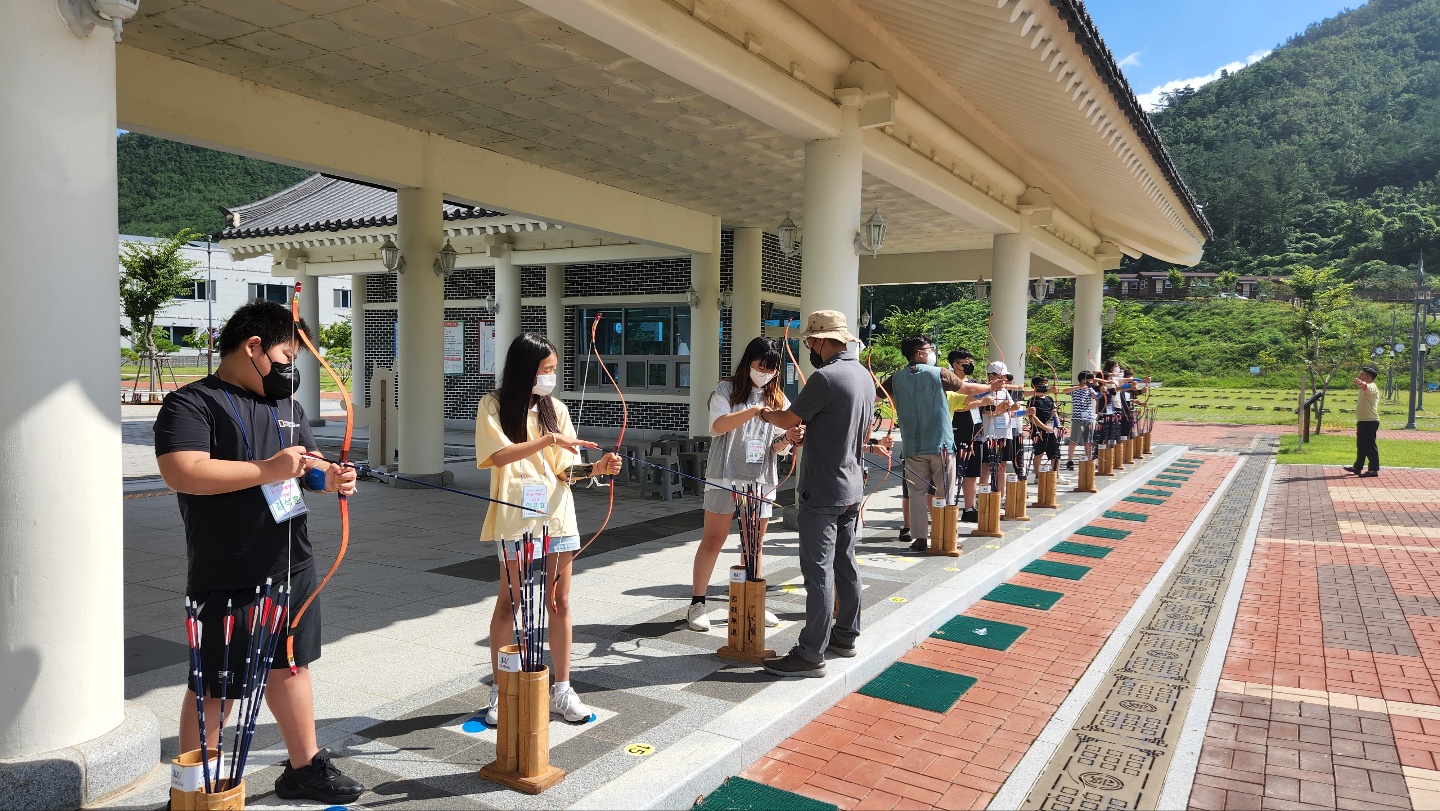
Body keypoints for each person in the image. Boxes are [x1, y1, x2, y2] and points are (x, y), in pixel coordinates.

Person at [154, 300, 363, 805]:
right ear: (254, 348)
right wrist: (270, 469)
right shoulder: (192, 403)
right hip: (229, 568)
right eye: (287, 356)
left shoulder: (287, 407)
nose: (291, 369)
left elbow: (308, 468)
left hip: (292, 560)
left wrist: (331, 477)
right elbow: (184, 471)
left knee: (291, 665)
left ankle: (304, 769)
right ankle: (196, 791)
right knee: (215, 685)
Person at [475, 333, 622, 725]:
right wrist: (549, 439)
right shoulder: (493, 405)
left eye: (554, 369)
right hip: (515, 518)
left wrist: (597, 467)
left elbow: (564, 469)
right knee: (510, 602)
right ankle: (501, 688)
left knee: (559, 601)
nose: (551, 377)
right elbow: (498, 455)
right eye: (546, 369)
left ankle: (563, 689)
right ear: (525, 369)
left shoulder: (555, 408)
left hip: (556, 515)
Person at [755, 311, 875, 678]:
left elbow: (787, 419)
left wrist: (763, 412)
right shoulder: (863, 375)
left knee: (818, 572)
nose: (808, 346)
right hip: (851, 485)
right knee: (845, 563)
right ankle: (845, 635)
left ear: (822, 341)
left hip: (823, 487)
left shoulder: (826, 376)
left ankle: (810, 654)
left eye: (809, 341)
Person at [687, 337, 806, 631]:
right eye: (760, 366)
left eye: (771, 369)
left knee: (753, 545)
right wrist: (754, 411)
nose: (765, 373)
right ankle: (697, 603)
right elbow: (718, 426)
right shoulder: (726, 389)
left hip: (761, 479)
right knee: (713, 540)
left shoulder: (778, 398)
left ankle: (752, 602)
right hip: (724, 475)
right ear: (748, 362)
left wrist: (788, 438)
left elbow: (777, 447)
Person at [880, 337, 999, 552]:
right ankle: (946, 535)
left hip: (912, 446)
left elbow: (876, 395)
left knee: (916, 493)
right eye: (930, 349)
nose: (933, 352)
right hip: (940, 444)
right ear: (919, 353)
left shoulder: (895, 378)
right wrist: (990, 387)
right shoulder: (939, 373)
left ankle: (920, 538)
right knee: (945, 492)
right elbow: (966, 388)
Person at [947, 349, 990, 523]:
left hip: (976, 432)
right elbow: (955, 407)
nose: (970, 365)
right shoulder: (949, 383)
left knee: (972, 473)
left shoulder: (974, 384)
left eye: (971, 362)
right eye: (966, 362)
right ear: (956, 364)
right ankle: (948, 508)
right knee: (953, 473)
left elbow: (984, 407)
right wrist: (979, 402)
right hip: (958, 432)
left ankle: (969, 508)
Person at [977, 362, 1019, 494]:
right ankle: (983, 495)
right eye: (1001, 377)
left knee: (1002, 465)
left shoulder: (1004, 391)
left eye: (1005, 378)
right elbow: (988, 412)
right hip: (990, 435)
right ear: (991, 376)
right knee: (987, 465)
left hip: (1005, 434)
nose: (1004, 380)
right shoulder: (984, 391)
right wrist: (1003, 408)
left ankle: (1000, 495)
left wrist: (1020, 410)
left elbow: (1011, 411)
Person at [1345, 365, 1381, 477]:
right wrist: (1361, 383)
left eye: (1362, 375)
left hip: (1370, 421)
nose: (1359, 376)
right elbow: (1363, 387)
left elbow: (1366, 387)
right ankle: (1357, 467)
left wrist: (1360, 382)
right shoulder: (1363, 388)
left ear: (1368, 377)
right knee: (1361, 445)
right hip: (1363, 421)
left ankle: (1373, 470)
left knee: (1370, 446)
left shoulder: (1372, 386)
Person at [1028, 376, 1063, 472]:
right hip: (1039, 430)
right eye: (1042, 384)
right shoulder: (1033, 400)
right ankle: (1037, 475)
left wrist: (1058, 425)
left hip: (1050, 430)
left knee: (1055, 453)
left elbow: (1054, 413)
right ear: (1034, 386)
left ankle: (1055, 474)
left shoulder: (1049, 399)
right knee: (1039, 453)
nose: (1045, 385)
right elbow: (1032, 417)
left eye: (1046, 383)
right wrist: (1044, 427)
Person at [1063, 371, 1097, 469]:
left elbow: (1096, 396)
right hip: (1077, 417)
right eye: (1089, 379)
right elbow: (1064, 391)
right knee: (1074, 439)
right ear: (1083, 380)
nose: (1091, 381)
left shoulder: (1090, 389)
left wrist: (1101, 390)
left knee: (1088, 440)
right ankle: (1069, 461)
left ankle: (1089, 459)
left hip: (1088, 417)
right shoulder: (1075, 389)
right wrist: (1079, 387)